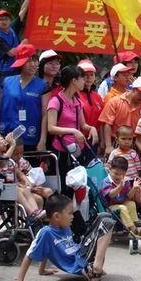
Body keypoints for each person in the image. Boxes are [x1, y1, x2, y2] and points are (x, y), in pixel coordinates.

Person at [10, 194, 115, 281]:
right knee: (106, 223)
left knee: (105, 216)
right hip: (79, 262)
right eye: (70, 213)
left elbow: (47, 249)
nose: (72, 216)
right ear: (56, 216)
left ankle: (93, 268)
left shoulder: (65, 227)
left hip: (82, 254)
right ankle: (95, 269)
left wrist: (42, 270)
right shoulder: (46, 232)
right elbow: (29, 254)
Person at [47, 65, 98, 196]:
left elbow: (83, 125)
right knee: (62, 185)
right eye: (82, 78)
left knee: (77, 185)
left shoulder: (77, 102)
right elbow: (51, 128)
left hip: (76, 149)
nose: (84, 81)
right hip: (60, 149)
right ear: (74, 81)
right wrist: (73, 131)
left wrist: (91, 128)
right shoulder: (55, 101)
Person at [0, 132, 45, 223]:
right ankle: (31, 213)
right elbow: (2, 162)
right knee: (16, 189)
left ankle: (36, 213)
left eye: (1, 136)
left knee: (26, 190)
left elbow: (20, 173)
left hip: (7, 187)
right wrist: (12, 145)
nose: (1, 138)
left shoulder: (10, 160)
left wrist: (27, 183)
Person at [0, 43, 47, 151]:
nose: (33, 64)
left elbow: (45, 114)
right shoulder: (7, 82)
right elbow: (0, 109)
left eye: (35, 60)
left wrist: (42, 140)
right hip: (6, 136)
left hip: (31, 136)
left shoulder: (43, 85)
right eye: (28, 61)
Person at [98, 76, 141, 155]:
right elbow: (107, 124)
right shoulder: (115, 102)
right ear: (134, 89)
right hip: (116, 142)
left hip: (136, 144)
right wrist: (108, 146)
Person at [99, 156, 141, 236]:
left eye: (122, 174)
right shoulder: (106, 181)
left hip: (121, 203)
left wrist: (134, 188)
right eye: (116, 173)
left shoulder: (125, 181)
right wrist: (120, 186)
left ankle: (136, 223)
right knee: (122, 208)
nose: (118, 176)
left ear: (125, 173)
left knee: (131, 203)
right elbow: (111, 195)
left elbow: (128, 196)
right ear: (110, 169)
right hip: (110, 207)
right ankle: (133, 229)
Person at [0, 0, 30, 82]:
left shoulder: (13, 28)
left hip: (16, 69)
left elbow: (23, 10)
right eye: (1, 19)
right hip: (4, 72)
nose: (4, 21)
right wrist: (23, 45)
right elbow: (11, 53)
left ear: (10, 20)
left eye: (6, 19)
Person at [77, 60, 104, 145]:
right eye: (85, 75)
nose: (89, 77)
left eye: (91, 74)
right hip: (78, 139)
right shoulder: (74, 95)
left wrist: (102, 141)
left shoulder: (97, 97)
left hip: (94, 139)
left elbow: (101, 122)